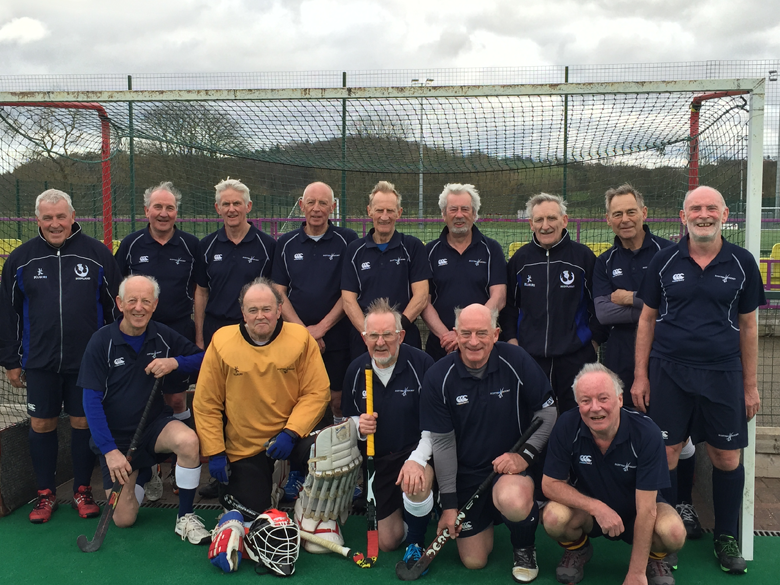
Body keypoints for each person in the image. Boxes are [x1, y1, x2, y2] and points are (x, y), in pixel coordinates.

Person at [632, 186, 765, 574]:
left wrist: (750, 385)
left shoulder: (742, 262)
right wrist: (641, 375)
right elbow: (646, 319)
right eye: (695, 208)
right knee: (667, 453)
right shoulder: (663, 259)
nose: (703, 214)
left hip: (724, 373)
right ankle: (666, 535)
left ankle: (726, 535)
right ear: (682, 215)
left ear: (725, 214)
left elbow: (749, 325)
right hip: (669, 371)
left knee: (726, 457)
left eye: (710, 208)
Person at [0, 189, 121, 524]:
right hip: (39, 361)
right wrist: (11, 361)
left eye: (61, 217)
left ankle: (82, 490)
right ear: (37, 220)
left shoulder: (97, 254)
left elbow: (116, 309)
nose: (55, 224)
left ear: (72, 217)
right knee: (42, 423)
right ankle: (45, 494)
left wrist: (113, 355)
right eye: (48, 218)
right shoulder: (20, 259)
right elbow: (7, 316)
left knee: (84, 422)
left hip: (88, 362)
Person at [592, 184, 700, 539]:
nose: (625, 219)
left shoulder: (671, 253)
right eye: (617, 214)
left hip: (669, 359)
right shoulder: (605, 262)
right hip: (621, 360)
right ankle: (633, 505)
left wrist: (633, 298)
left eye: (630, 211)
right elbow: (605, 313)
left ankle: (679, 504)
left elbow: (680, 307)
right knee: (631, 433)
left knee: (675, 438)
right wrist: (650, 306)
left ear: (645, 212)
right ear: (609, 220)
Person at [421, 304, 557, 583]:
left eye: (481, 333)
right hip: (468, 477)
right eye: (466, 333)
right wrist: (449, 506)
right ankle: (491, 519)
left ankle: (523, 546)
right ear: (455, 335)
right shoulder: (438, 376)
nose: (473, 341)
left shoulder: (516, 359)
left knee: (512, 499)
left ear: (495, 334)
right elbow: (444, 445)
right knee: (474, 561)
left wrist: (525, 456)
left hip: (510, 470)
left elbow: (548, 411)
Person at [77, 275, 209, 543]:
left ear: (155, 304)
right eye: (132, 301)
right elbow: (90, 402)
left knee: (187, 441)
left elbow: (205, 358)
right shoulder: (101, 342)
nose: (139, 307)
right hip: (117, 441)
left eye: (146, 301)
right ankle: (144, 473)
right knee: (123, 519)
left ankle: (185, 516)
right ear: (120, 303)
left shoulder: (162, 334)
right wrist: (111, 452)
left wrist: (175, 362)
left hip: (153, 428)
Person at [193, 277, 330, 515]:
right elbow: (207, 402)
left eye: (267, 309)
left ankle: (311, 501)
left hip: (292, 436)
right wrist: (215, 451)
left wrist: (291, 432)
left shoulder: (300, 339)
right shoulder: (222, 341)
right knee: (251, 516)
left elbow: (317, 392)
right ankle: (271, 483)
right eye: (253, 310)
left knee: (328, 449)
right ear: (243, 313)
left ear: (279, 310)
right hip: (245, 445)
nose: (260, 316)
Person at [542, 363, 685, 585]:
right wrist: (596, 507)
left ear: (619, 399)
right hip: (590, 514)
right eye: (585, 400)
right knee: (553, 517)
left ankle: (652, 559)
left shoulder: (647, 433)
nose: (595, 408)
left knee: (674, 533)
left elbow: (647, 510)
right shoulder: (566, 425)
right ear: (578, 404)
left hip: (638, 511)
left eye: (603, 398)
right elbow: (550, 484)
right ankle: (579, 550)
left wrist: (635, 574)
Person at [341, 298, 436, 567]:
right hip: (379, 464)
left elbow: (435, 424)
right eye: (373, 336)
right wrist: (359, 425)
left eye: (387, 335)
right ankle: (414, 514)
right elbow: (347, 417)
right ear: (364, 337)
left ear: (401, 335)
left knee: (415, 482)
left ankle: (417, 539)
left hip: (416, 454)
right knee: (388, 542)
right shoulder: (356, 370)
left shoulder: (423, 365)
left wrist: (417, 460)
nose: (380, 343)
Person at [501, 193, 606, 413]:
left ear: (564, 220)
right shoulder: (520, 260)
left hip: (575, 358)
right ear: (531, 224)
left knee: (576, 418)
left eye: (551, 218)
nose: (545, 226)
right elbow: (509, 306)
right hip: (531, 358)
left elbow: (598, 306)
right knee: (534, 419)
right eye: (539, 220)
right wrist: (512, 342)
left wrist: (592, 342)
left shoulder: (583, 257)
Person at [115, 181, 200, 428]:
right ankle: (149, 456)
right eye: (158, 207)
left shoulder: (191, 245)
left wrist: (198, 334)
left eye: (170, 208)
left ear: (176, 212)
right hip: (139, 333)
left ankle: (180, 457)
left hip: (178, 330)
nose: (164, 213)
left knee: (175, 399)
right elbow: (116, 289)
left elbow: (200, 291)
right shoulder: (131, 245)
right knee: (140, 397)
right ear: (146, 211)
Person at [273, 181, 358, 423]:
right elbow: (278, 291)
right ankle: (299, 455)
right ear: (301, 205)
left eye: (323, 203)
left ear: (332, 207)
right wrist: (303, 332)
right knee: (297, 398)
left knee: (338, 401)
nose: (316, 208)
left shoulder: (348, 239)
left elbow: (350, 292)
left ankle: (340, 456)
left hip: (337, 336)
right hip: (295, 336)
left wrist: (321, 329)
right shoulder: (286, 243)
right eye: (311, 202)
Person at [342, 181, 430, 354]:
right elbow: (348, 300)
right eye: (379, 210)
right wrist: (369, 334)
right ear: (369, 211)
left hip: (405, 338)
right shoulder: (354, 250)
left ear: (399, 213)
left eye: (390, 210)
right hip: (363, 341)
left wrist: (396, 331)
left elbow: (421, 295)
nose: (384, 216)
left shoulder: (413, 247)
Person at [422, 183, 507, 361]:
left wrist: (468, 335)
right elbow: (424, 302)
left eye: (465, 209)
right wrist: (447, 336)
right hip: (442, 345)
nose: (459, 215)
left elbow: (498, 298)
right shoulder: (429, 251)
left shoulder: (492, 249)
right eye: (453, 209)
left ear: (474, 214)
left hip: (482, 346)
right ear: (444, 214)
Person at [194, 178, 275, 349]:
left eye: (237, 203)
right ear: (218, 208)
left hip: (254, 329)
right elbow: (201, 293)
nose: (231, 209)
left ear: (248, 206)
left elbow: (276, 293)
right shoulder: (206, 245)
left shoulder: (268, 246)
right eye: (226, 204)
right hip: (215, 329)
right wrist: (200, 337)